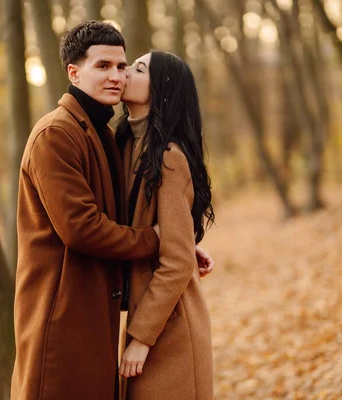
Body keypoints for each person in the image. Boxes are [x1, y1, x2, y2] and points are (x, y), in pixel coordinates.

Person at [11, 22, 213, 400]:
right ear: (74, 72)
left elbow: (128, 218)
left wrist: (178, 242)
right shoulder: (59, 134)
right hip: (62, 313)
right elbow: (83, 227)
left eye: (126, 67)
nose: (118, 76)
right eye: (104, 66)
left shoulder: (112, 137)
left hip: (137, 323)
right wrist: (158, 240)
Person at [117, 51, 215, 400]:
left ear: (160, 90)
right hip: (145, 323)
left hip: (168, 334)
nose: (125, 71)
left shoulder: (168, 158)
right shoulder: (125, 144)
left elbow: (176, 263)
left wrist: (141, 339)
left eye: (138, 68)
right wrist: (179, 240)